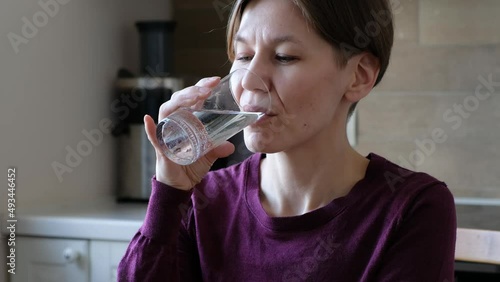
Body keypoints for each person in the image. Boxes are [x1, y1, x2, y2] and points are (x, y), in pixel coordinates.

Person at [118, 0, 457, 281]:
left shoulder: (413, 209)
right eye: (244, 56)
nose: (249, 83)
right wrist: (169, 189)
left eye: (284, 57)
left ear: (358, 76)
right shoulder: (202, 200)